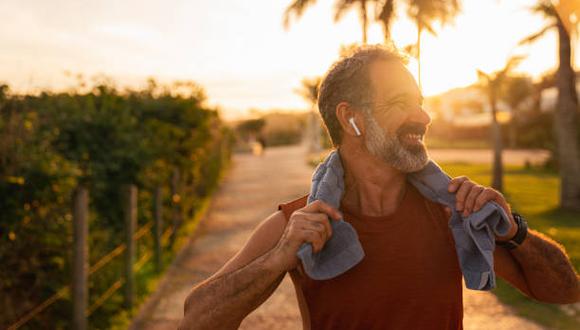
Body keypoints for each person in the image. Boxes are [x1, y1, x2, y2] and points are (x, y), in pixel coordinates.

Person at [178, 45, 579, 330]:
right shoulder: (296, 225)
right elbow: (196, 321)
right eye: (401, 102)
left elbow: (565, 292)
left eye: (420, 102)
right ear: (352, 118)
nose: (422, 116)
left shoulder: (454, 211)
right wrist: (279, 258)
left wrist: (514, 231)